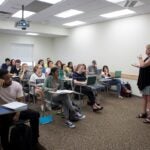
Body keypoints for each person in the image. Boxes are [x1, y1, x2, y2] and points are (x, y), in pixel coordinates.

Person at [0, 69, 46, 150]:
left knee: (35, 114)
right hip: (3, 109)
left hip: (16, 107)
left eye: (10, 77)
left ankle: (35, 141)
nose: (10, 80)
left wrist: (17, 114)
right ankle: (5, 144)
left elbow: (20, 101)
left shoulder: (16, 85)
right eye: (6, 79)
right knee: (4, 119)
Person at [132, 44, 150, 123]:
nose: (145, 50)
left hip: (148, 82)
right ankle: (144, 113)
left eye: (146, 49)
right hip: (144, 81)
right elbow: (143, 66)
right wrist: (137, 66)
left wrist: (140, 58)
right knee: (144, 98)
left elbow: (143, 64)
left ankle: (149, 116)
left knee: (149, 99)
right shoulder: (147, 58)